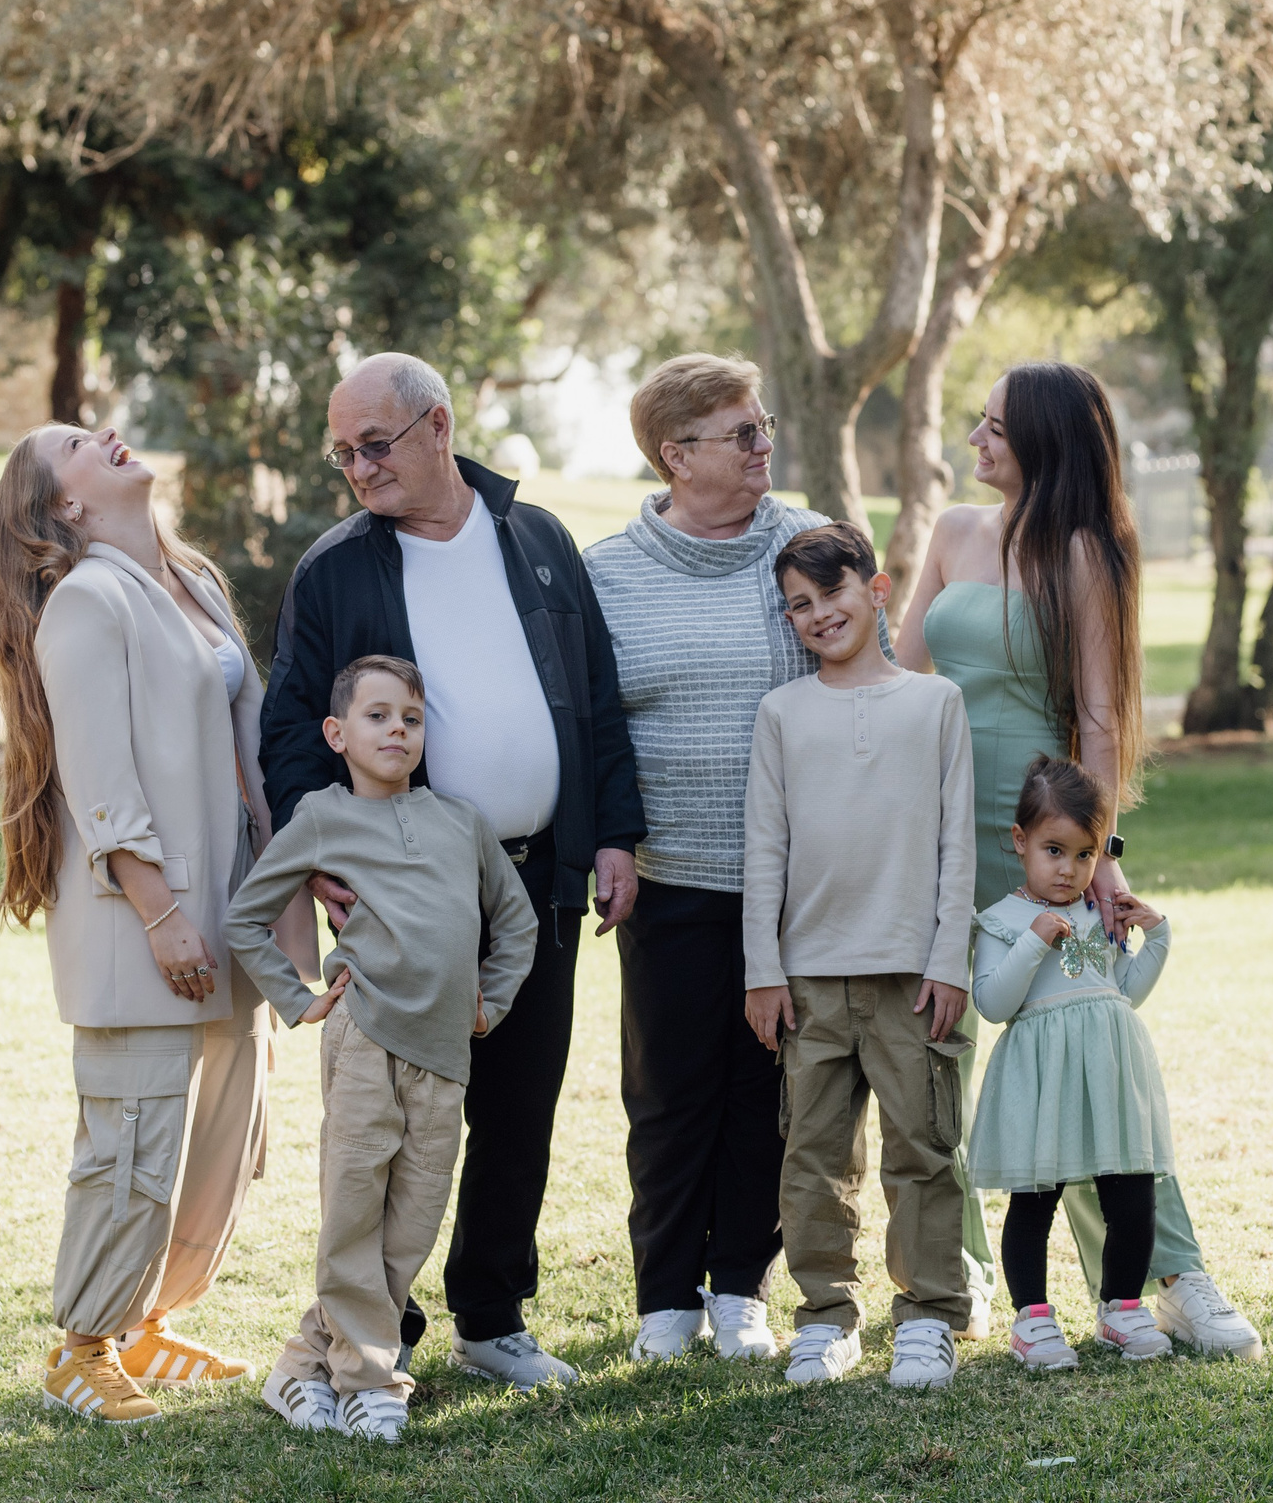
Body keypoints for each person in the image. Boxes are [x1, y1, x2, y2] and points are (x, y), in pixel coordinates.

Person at [261, 352, 643, 1391]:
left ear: (436, 426)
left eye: (372, 444)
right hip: (404, 892)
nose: (357, 467)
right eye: (342, 452)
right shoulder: (336, 568)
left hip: (542, 879)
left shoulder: (539, 538)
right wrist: (322, 847)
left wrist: (614, 834)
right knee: (396, 1122)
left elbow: (596, 696)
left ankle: (491, 1315)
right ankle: (378, 1322)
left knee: (521, 1108)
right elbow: (293, 723)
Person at [894, 360, 1265, 1362]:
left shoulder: (1085, 556)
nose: (974, 441)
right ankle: (953, 1275)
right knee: (934, 1049)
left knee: (1084, 1054)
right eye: (975, 422)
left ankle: (1170, 1275)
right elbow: (897, 671)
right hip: (936, 822)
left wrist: (1097, 855)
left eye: (995, 430)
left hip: (1040, 835)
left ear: (1046, 444)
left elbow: (1100, 716)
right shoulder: (952, 532)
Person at [0, 423, 305, 1425]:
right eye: (79, 443)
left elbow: (245, 750)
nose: (109, 434)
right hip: (143, 918)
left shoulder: (193, 581)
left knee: (219, 1136)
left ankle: (147, 1320)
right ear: (65, 508)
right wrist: (161, 910)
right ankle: (82, 1344)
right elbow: (98, 772)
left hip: (227, 913)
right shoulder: (85, 599)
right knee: (131, 1136)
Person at [583, 353, 839, 1363]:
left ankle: (740, 1285)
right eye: (740, 432)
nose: (762, 443)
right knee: (669, 1089)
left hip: (793, 878)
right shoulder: (606, 572)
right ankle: (663, 1295)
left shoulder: (806, 543)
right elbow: (594, 726)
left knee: (767, 1089)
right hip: (667, 874)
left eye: (762, 423)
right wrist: (610, 840)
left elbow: (861, 661)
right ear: (674, 454)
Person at [228, 657, 539, 1444]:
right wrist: (299, 1000)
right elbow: (246, 918)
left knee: (409, 1225)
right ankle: (371, 1378)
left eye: (410, 716)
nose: (396, 728)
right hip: (365, 1038)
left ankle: (302, 1366)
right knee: (354, 1211)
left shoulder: (460, 821)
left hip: (445, 1051)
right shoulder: (322, 818)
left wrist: (491, 999)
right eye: (377, 715)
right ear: (338, 733)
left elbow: (518, 921)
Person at [742, 524, 979, 1389]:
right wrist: (761, 968)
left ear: (875, 589)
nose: (816, 615)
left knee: (922, 1147)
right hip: (808, 980)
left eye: (830, 594)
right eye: (798, 606)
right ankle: (825, 1315)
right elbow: (764, 846)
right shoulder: (783, 713)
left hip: (914, 977)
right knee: (812, 1154)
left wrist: (949, 958)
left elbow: (959, 844)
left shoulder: (935, 703)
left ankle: (928, 1314)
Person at [968, 756, 1178, 1369]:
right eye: (1054, 850)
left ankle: (1121, 1308)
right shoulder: (1003, 921)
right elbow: (991, 1003)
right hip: (1044, 1077)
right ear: (1020, 842)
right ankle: (1031, 1319)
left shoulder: (1097, 911)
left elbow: (1122, 993)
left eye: (1085, 855)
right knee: (1036, 1198)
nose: (1069, 869)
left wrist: (1157, 939)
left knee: (1132, 1195)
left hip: (1108, 1071)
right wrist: (1034, 940)